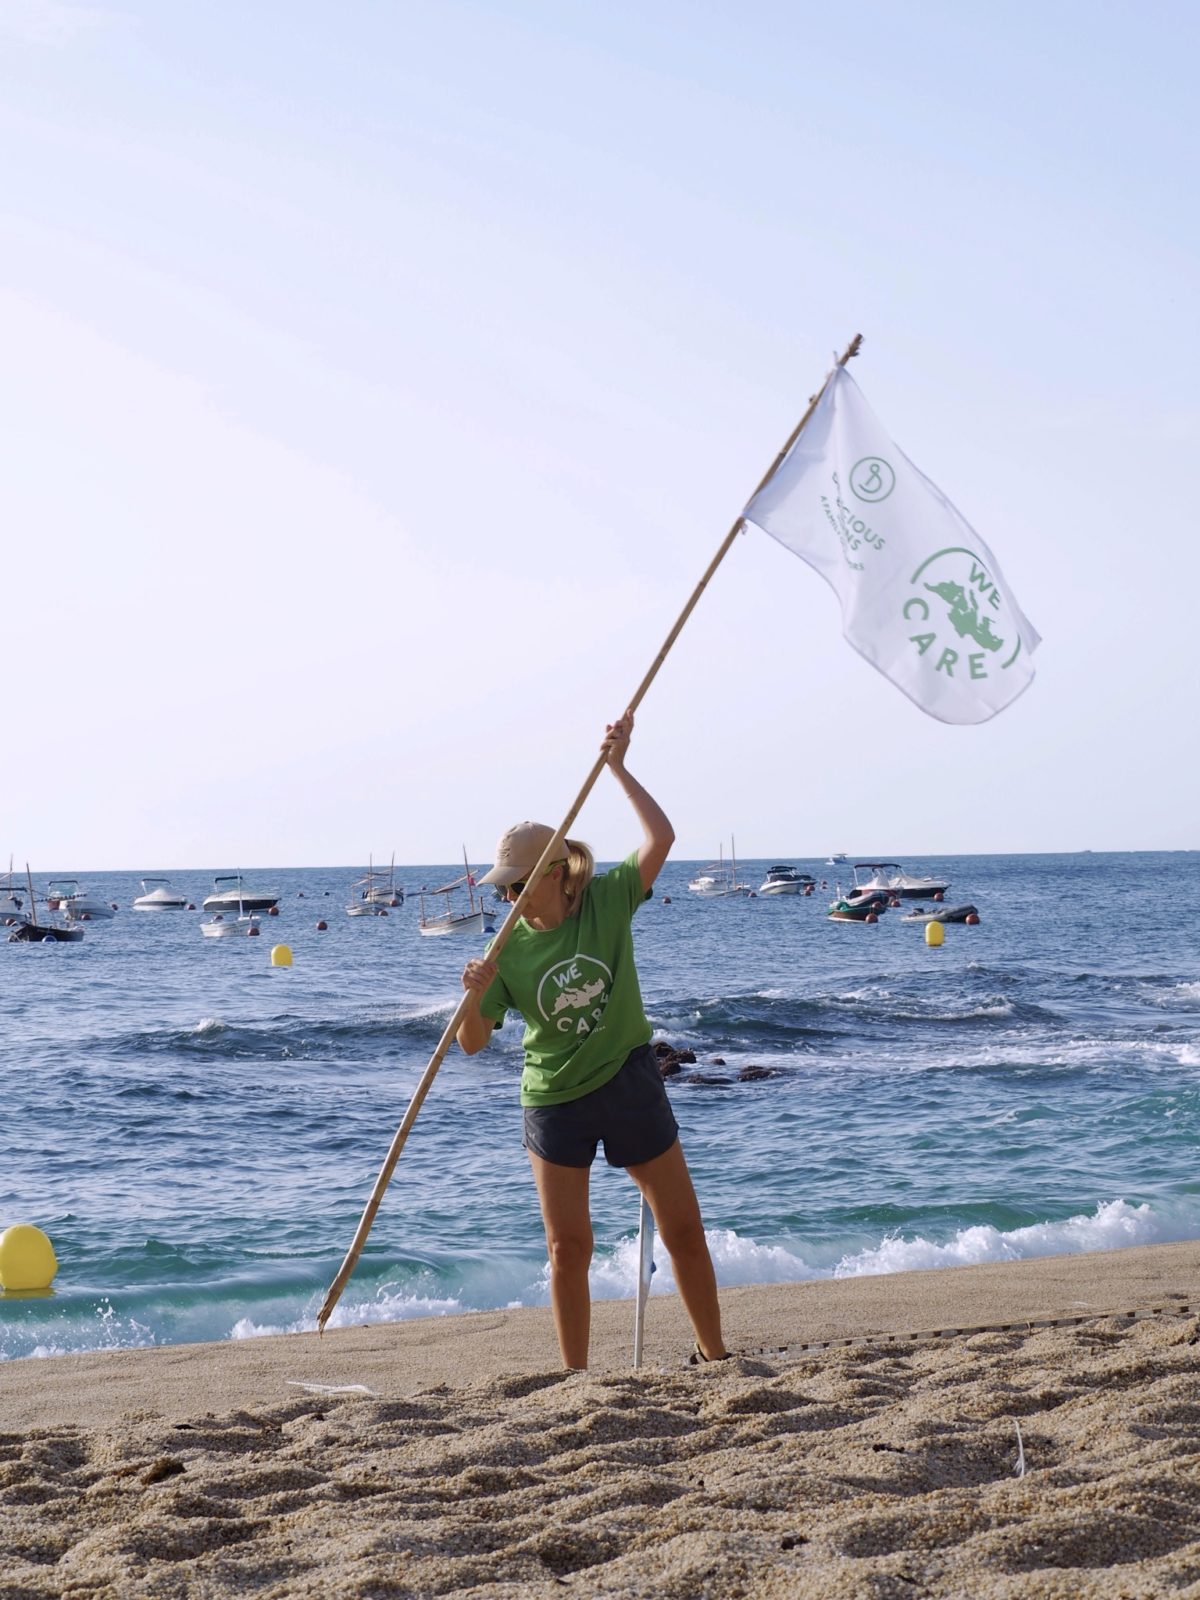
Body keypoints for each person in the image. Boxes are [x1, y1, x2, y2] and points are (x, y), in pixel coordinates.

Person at [457, 709, 728, 1371]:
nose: (511, 898)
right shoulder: (506, 948)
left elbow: (661, 836)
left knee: (683, 1227)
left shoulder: (608, 899)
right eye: (505, 889)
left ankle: (717, 1358)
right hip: (554, 1100)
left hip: (629, 1077)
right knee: (567, 1248)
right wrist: (471, 994)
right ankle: (577, 1379)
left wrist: (618, 769)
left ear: (554, 873)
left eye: (518, 885)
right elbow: (470, 1043)